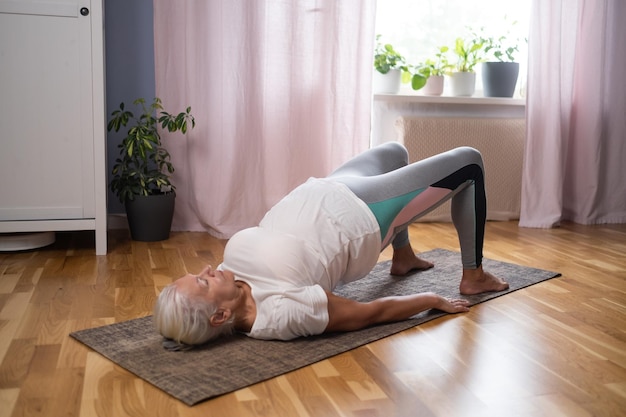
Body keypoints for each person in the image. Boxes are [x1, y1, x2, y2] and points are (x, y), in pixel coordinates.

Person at [154, 143, 509, 348]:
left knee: (395, 151)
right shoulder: (282, 313)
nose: (207, 270)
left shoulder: (231, 280)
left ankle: (404, 256)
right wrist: (431, 300)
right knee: (470, 162)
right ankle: (473, 274)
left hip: (329, 188)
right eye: (203, 282)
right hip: (363, 215)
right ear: (220, 316)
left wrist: (212, 284)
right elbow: (366, 314)